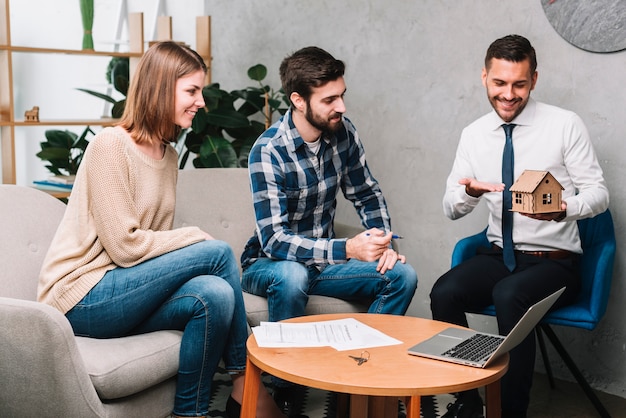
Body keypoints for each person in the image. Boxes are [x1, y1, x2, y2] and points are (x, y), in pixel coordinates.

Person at [37, 41, 284, 418]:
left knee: (215, 293)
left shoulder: (167, 156)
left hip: (126, 291)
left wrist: (186, 244)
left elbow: (152, 253)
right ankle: (243, 379)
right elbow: (125, 247)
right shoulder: (110, 146)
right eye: (192, 91)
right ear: (160, 88)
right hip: (81, 297)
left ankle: (190, 413)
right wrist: (195, 236)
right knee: (216, 251)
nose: (201, 102)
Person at [431, 34, 609, 418]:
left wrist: (564, 209)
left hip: (554, 262)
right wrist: (472, 194)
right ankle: (467, 402)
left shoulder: (564, 125)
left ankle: (510, 411)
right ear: (484, 78)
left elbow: (599, 195)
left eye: (519, 84)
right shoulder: (474, 135)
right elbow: (451, 208)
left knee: (510, 295)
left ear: (534, 80)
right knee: (444, 292)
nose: (508, 94)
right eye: (499, 83)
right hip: (499, 256)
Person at [241, 46, 418, 416]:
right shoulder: (268, 150)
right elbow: (274, 239)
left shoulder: (343, 133)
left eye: (342, 95)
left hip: (322, 266)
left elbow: (367, 193)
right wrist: (347, 250)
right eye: (330, 99)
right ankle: (286, 389)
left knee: (402, 275)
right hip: (271, 264)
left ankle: (358, 376)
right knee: (291, 276)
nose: (342, 107)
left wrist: (381, 240)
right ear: (298, 101)